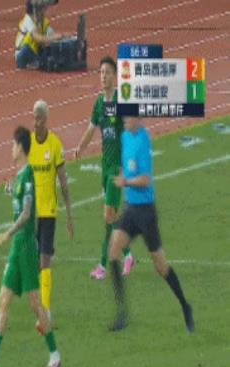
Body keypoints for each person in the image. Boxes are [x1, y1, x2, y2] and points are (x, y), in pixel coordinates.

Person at [0, 126, 61, 367]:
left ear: (21, 147)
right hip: (17, 247)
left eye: (13, 144)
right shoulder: (19, 176)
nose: (11, 148)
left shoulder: (28, 175)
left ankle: (54, 354)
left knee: (35, 303)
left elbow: (27, 213)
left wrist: (7, 233)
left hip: (25, 247)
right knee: (3, 299)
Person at [107, 117, 194, 333]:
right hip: (130, 209)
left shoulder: (143, 139)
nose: (125, 120)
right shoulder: (125, 137)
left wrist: (126, 182)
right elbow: (125, 165)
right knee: (113, 252)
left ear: (137, 118)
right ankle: (122, 313)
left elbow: (145, 179)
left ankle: (185, 306)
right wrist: (121, 175)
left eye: (128, 117)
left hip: (146, 212)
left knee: (160, 266)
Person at [76, 56, 134, 280]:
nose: (103, 76)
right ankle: (127, 255)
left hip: (117, 168)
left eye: (108, 72)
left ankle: (103, 265)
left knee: (108, 216)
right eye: (101, 72)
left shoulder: (120, 101)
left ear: (115, 76)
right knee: (112, 216)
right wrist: (80, 147)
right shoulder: (99, 103)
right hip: (105, 166)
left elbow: (129, 133)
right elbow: (92, 128)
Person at [28, 100, 73, 333]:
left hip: (48, 213)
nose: (34, 122)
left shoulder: (55, 145)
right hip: (32, 215)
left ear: (45, 119)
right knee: (36, 265)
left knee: (45, 262)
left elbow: (63, 182)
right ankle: (41, 308)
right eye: (33, 117)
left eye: (38, 118)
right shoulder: (29, 145)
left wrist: (69, 215)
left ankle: (45, 312)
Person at [15, 0, 61, 70]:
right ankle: (36, 63)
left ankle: (38, 62)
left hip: (35, 52)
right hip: (23, 54)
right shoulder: (28, 20)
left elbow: (52, 34)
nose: (45, 11)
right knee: (27, 48)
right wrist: (53, 38)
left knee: (49, 50)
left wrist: (62, 37)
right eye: (43, 9)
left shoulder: (43, 21)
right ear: (35, 11)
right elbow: (38, 38)